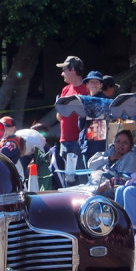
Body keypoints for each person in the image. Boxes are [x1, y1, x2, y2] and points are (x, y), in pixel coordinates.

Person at [55, 56, 89, 186]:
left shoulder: (86, 90)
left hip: (78, 142)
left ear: (73, 69)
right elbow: (59, 116)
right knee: (69, 179)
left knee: (82, 178)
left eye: (64, 70)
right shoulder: (65, 89)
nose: (62, 73)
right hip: (65, 141)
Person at [87, 130, 136, 197]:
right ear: (114, 143)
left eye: (125, 143)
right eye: (118, 142)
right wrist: (109, 158)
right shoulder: (110, 152)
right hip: (92, 185)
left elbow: (126, 179)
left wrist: (107, 184)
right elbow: (91, 165)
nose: (120, 145)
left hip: (107, 190)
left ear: (130, 146)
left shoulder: (132, 158)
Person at [78, 70, 110, 164]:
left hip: (99, 145)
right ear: (87, 84)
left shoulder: (105, 101)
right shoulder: (84, 101)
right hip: (86, 144)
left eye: (97, 82)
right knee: (88, 174)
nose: (94, 84)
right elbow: (80, 124)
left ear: (101, 85)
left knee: (97, 174)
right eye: (91, 82)